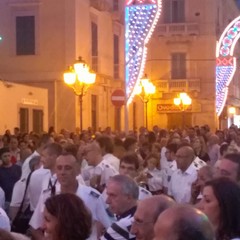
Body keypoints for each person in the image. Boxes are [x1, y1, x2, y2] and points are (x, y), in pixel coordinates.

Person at [30, 153, 111, 240]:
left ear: (77, 171)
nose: (62, 172)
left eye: (68, 168)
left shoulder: (93, 197)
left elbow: (109, 226)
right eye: (59, 168)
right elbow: (35, 226)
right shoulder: (48, 195)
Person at [101, 175, 138, 240]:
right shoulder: (144, 217)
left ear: (129, 197)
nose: (107, 201)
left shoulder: (122, 225)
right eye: (108, 195)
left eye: (113, 195)